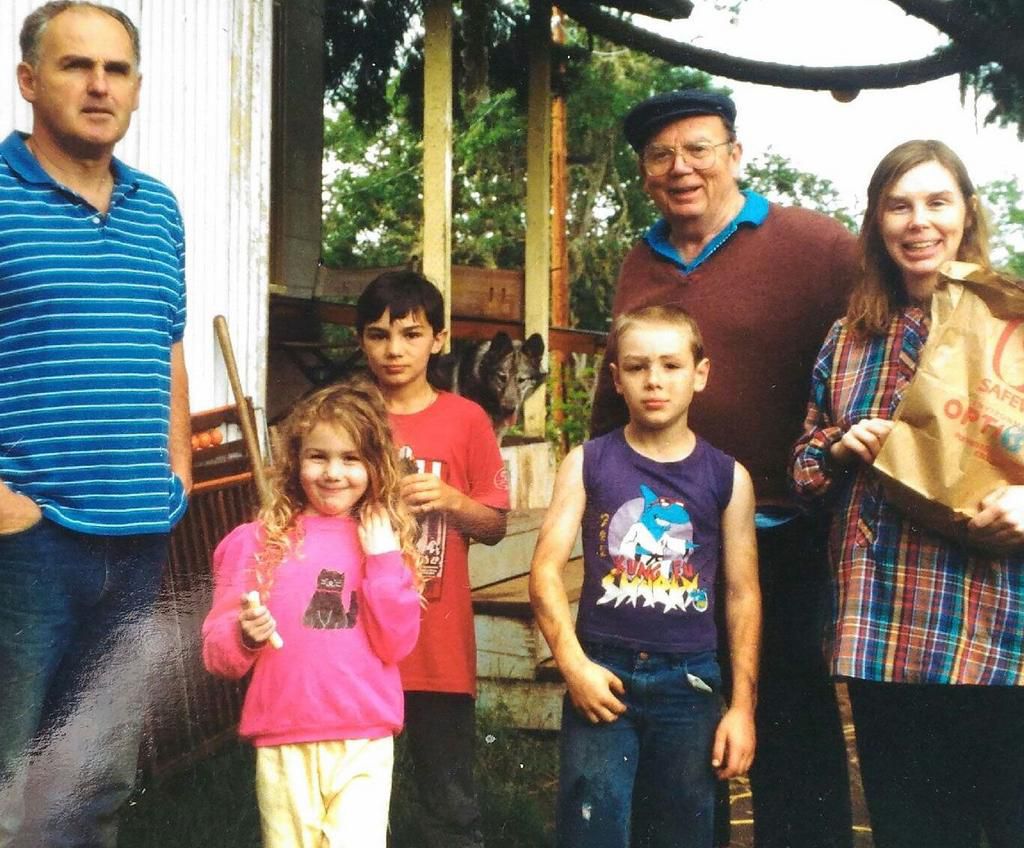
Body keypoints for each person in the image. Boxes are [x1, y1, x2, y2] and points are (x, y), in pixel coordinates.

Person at [589, 88, 858, 848]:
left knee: (790, 718)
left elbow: (893, 329)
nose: (682, 168)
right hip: (674, 543)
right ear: (644, 174)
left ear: (735, 155)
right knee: (687, 725)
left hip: (786, 528)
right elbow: (613, 399)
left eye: (699, 148)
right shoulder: (640, 260)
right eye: (661, 155)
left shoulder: (816, 245)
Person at [791, 139, 1024, 848]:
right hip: (887, 632)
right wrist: (837, 446)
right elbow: (802, 468)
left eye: (936, 202)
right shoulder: (851, 338)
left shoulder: (1012, 321)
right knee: (914, 830)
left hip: (998, 630)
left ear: (967, 213)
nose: (918, 222)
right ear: (877, 222)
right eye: (899, 205)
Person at [0, 3, 191, 845]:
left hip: (140, 539)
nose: (99, 84)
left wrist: (176, 467)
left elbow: (169, 341)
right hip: (28, 547)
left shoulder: (159, 211)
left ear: (138, 89)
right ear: (29, 80)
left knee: (98, 781)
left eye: (116, 70)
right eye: (77, 65)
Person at [531, 305, 760, 848]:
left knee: (681, 833)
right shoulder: (587, 464)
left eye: (670, 365)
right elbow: (544, 570)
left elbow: (743, 595)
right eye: (636, 367)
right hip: (602, 675)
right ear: (616, 378)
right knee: (593, 828)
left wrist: (742, 709)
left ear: (699, 374)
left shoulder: (727, 477)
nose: (653, 380)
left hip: (691, 684)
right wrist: (573, 666)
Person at [202, 377, 422, 848]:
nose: (333, 473)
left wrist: (383, 561)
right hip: (284, 735)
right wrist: (245, 634)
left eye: (351, 458)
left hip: (364, 735)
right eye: (318, 456)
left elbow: (398, 643)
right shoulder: (258, 542)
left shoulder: (383, 540)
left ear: (377, 465)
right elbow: (217, 654)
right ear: (295, 460)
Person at [355, 271, 510, 848]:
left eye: (411, 334)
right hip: (356, 641)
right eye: (377, 335)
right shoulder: (346, 415)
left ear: (439, 339)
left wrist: (451, 499)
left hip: (437, 644)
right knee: (358, 798)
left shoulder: (466, 420)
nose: (394, 350)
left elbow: (494, 525)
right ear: (361, 342)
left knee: (447, 802)